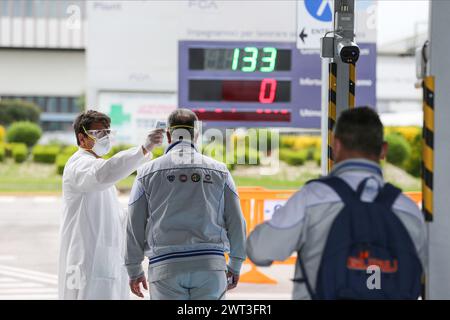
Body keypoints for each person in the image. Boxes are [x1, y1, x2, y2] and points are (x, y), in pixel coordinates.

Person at [247, 107, 427, 299]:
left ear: (336, 145)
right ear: (384, 150)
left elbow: (259, 251)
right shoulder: (408, 210)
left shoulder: (312, 199)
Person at [125, 109, 246, 300]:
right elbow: (236, 221)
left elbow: (134, 224)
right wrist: (236, 263)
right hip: (210, 266)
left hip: (165, 268)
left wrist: (134, 268)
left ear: (167, 135)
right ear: (196, 135)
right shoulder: (220, 171)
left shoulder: (146, 173)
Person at [58, 110, 164, 300]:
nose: (105, 138)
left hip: (107, 262)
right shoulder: (79, 165)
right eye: (99, 134)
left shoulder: (99, 170)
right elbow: (104, 172)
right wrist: (143, 149)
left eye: (108, 133)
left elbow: (118, 219)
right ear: (82, 138)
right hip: (87, 262)